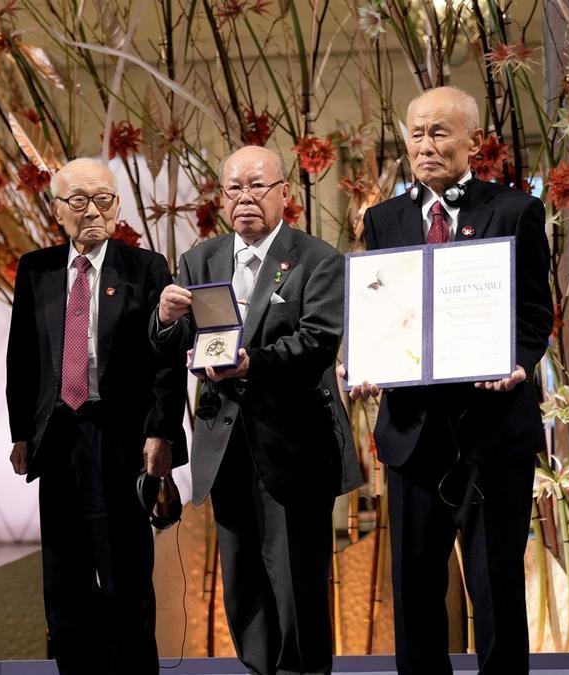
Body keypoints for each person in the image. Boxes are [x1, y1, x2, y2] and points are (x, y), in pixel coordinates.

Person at [341, 86, 553, 674]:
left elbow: (536, 314)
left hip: (492, 433)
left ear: (473, 142)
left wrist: (518, 361)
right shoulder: (384, 220)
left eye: (440, 132)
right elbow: (380, 311)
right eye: (417, 133)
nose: (426, 145)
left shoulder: (514, 210)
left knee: (495, 587)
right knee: (413, 592)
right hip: (412, 436)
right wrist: (359, 361)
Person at [152, 145, 363, 675]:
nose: (245, 198)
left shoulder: (316, 258)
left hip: (294, 445)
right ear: (222, 197)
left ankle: (304, 673)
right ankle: (257, 670)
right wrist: (162, 317)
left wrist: (252, 364)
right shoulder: (200, 259)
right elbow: (175, 342)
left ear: (284, 193)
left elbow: (317, 340)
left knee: (297, 584)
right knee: (242, 581)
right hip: (224, 447)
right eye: (234, 188)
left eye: (257, 186)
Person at [6, 158, 187, 674]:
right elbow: (21, 357)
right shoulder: (35, 269)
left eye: (104, 199)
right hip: (57, 439)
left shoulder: (146, 268)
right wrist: (21, 433)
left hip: (121, 439)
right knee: (63, 586)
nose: (93, 211)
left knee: (126, 580)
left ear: (117, 206)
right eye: (79, 200)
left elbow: (166, 361)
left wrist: (161, 431)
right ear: (57, 208)